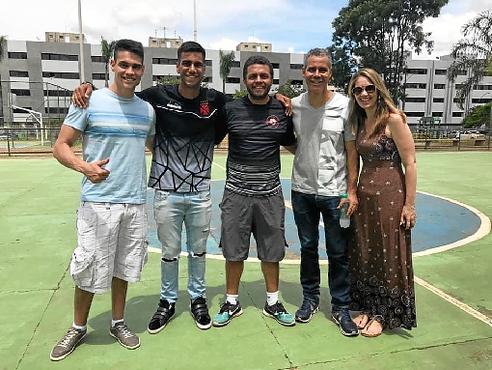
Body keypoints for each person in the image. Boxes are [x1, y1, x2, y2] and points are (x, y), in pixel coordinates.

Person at [72, 41, 291, 334]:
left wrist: (281, 97)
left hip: (200, 191)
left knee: (198, 251)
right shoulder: (155, 97)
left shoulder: (217, 101)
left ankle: (199, 298)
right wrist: (86, 85)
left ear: (204, 68)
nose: (191, 69)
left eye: (197, 64)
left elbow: (255, 100)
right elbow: (121, 91)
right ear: (177, 66)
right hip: (165, 190)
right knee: (169, 252)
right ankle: (167, 300)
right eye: (186, 63)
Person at [50, 39, 155, 361]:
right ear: (112, 65)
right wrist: (84, 167)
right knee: (88, 267)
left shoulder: (146, 110)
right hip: (98, 202)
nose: (129, 71)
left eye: (136, 66)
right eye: (124, 65)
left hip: (135, 202)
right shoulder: (89, 101)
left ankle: (117, 322)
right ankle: (78, 327)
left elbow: (154, 145)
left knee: (123, 268)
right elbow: (61, 145)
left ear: (142, 71)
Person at [212, 56, 296, 327]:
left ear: (271, 79)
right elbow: (206, 134)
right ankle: (232, 301)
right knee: (234, 251)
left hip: (270, 194)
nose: (258, 80)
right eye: (253, 76)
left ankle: (272, 302)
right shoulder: (231, 109)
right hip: (236, 194)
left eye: (263, 76)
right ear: (244, 79)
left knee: (271, 251)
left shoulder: (283, 111)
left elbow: (297, 145)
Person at [289, 48, 360, 336]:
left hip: (336, 193)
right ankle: (310, 299)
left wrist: (352, 191)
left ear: (330, 73)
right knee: (307, 248)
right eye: (311, 69)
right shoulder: (293, 105)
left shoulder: (345, 106)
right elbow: (293, 141)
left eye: (322, 70)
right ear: (303, 72)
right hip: (302, 189)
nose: (316, 74)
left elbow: (352, 150)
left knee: (338, 252)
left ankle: (341, 307)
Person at [347, 68, 417, 337]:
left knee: (389, 251)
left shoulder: (394, 119)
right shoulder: (360, 122)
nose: (364, 94)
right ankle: (368, 306)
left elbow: (410, 163)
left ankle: (386, 314)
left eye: (369, 88)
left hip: (390, 196)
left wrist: (409, 204)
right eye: (358, 90)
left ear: (378, 90)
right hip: (365, 196)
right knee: (367, 251)